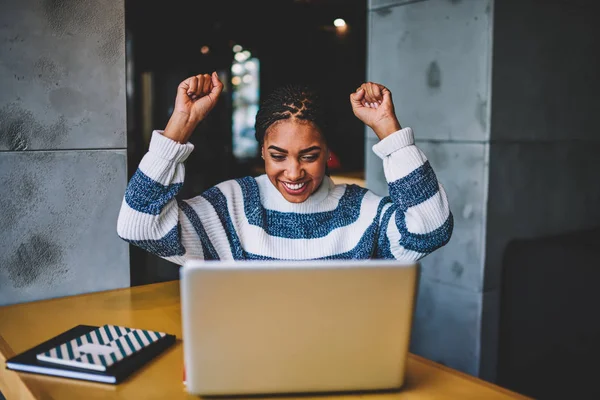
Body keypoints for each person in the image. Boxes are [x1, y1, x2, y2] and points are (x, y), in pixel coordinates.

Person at [117, 72, 453, 263]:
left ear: (327, 153)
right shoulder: (231, 205)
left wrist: (389, 131)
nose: (293, 173)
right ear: (262, 150)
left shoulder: (362, 211)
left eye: (309, 156)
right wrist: (181, 125)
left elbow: (431, 229)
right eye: (278, 156)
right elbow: (139, 226)